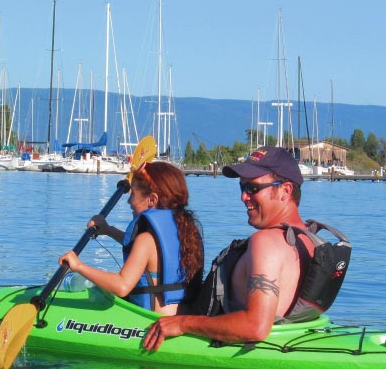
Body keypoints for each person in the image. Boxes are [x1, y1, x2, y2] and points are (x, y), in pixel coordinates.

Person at [143, 146, 350, 350]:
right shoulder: (309, 240)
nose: (243, 197)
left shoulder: (266, 242)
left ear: (285, 191)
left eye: (253, 188)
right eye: (242, 188)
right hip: (287, 341)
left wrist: (181, 324)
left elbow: (256, 327)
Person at [59, 161, 204, 315]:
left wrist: (78, 266)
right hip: (181, 319)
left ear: (152, 200)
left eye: (133, 194)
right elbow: (150, 255)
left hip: (151, 324)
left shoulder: (146, 240)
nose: (129, 201)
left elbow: (122, 286)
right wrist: (108, 230)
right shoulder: (188, 231)